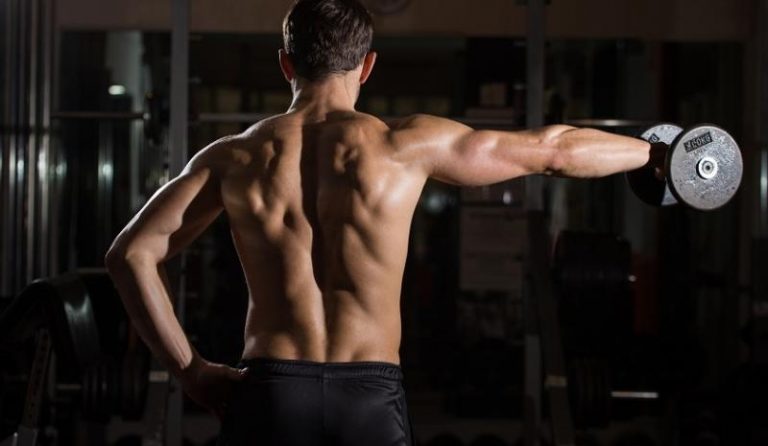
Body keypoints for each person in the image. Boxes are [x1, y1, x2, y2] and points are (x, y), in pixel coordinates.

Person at [104, 0, 655, 444]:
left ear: (286, 64)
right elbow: (554, 150)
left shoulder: (234, 157)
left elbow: (129, 254)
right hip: (368, 395)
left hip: (273, 391)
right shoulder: (403, 147)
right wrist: (660, 155)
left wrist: (193, 372)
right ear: (367, 65)